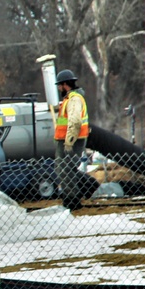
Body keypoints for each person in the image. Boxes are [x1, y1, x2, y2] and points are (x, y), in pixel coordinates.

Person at [53, 68, 89, 210]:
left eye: (59, 85)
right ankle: (73, 198)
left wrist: (69, 141)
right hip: (70, 140)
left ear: (65, 84)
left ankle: (72, 202)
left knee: (65, 170)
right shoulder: (70, 99)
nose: (58, 88)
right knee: (66, 170)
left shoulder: (74, 99)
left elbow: (75, 121)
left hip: (71, 141)